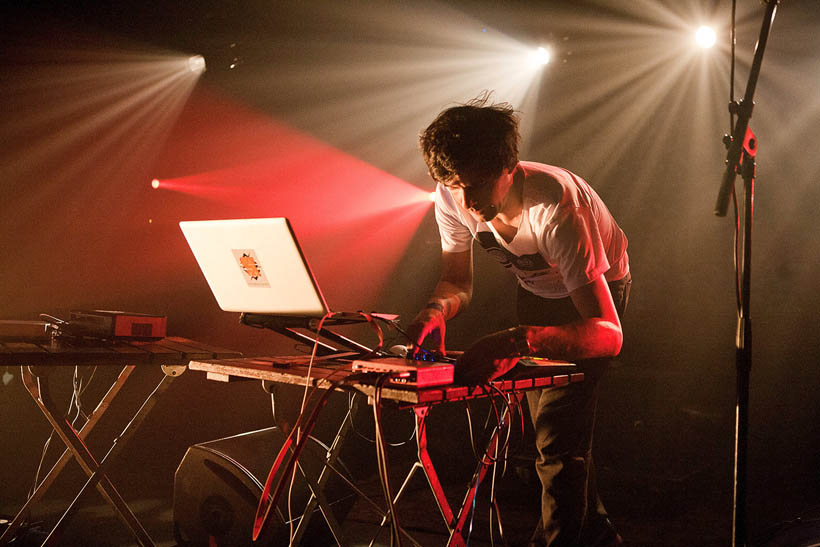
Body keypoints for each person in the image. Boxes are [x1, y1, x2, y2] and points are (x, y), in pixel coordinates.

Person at [408, 95, 631, 547]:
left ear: (510, 166)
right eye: (454, 185)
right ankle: (597, 536)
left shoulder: (557, 209)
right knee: (553, 437)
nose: (467, 202)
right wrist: (435, 311)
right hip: (536, 297)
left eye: (477, 185)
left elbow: (608, 334)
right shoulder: (452, 194)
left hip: (594, 300)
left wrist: (517, 341)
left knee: (556, 445)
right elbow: (457, 283)